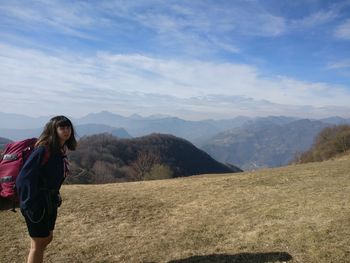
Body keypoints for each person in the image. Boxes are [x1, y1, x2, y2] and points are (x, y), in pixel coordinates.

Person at [16, 115, 77, 263]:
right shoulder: (44, 150)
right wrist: (31, 203)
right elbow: (23, 178)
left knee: (46, 238)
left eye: (68, 127)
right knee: (39, 243)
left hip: (49, 201)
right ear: (53, 130)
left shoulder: (60, 151)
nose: (66, 130)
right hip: (37, 204)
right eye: (61, 127)